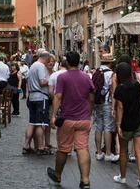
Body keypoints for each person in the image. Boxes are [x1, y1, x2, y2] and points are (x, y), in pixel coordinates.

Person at [47, 51, 94, 189]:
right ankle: (85, 180)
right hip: (83, 119)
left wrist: (53, 116)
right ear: (79, 62)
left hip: (67, 118)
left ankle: (57, 175)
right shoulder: (86, 77)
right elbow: (92, 97)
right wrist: (89, 111)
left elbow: (58, 96)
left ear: (67, 62)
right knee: (83, 148)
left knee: (63, 149)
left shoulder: (63, 77)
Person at [113, 62, 140, 188]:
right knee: (139, 151)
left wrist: (118, 124)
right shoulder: (137, 85)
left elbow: (120, 107)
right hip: (139, 121)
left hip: (126, 124)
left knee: (123, 151)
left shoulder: (120, 89)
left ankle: (122, 177)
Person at [23, 51, 51, 155]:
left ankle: (26, 145)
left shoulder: (33, 66)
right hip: (40, 97)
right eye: (48, 60)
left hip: (32, 96)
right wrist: (50, 80)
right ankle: (40, 147)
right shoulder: (41, 66)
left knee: (32, 122)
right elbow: (42, 82)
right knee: (40, 123)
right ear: (46, 58)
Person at [94, 54, 118, 162]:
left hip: (97, 103)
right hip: (107, 103)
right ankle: (108, 153)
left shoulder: (96, 72)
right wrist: (113, 107)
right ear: (111, 63)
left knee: (98, 127)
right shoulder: (111, 74)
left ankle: (99, 152)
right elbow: (113, 92)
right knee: (108, 128)